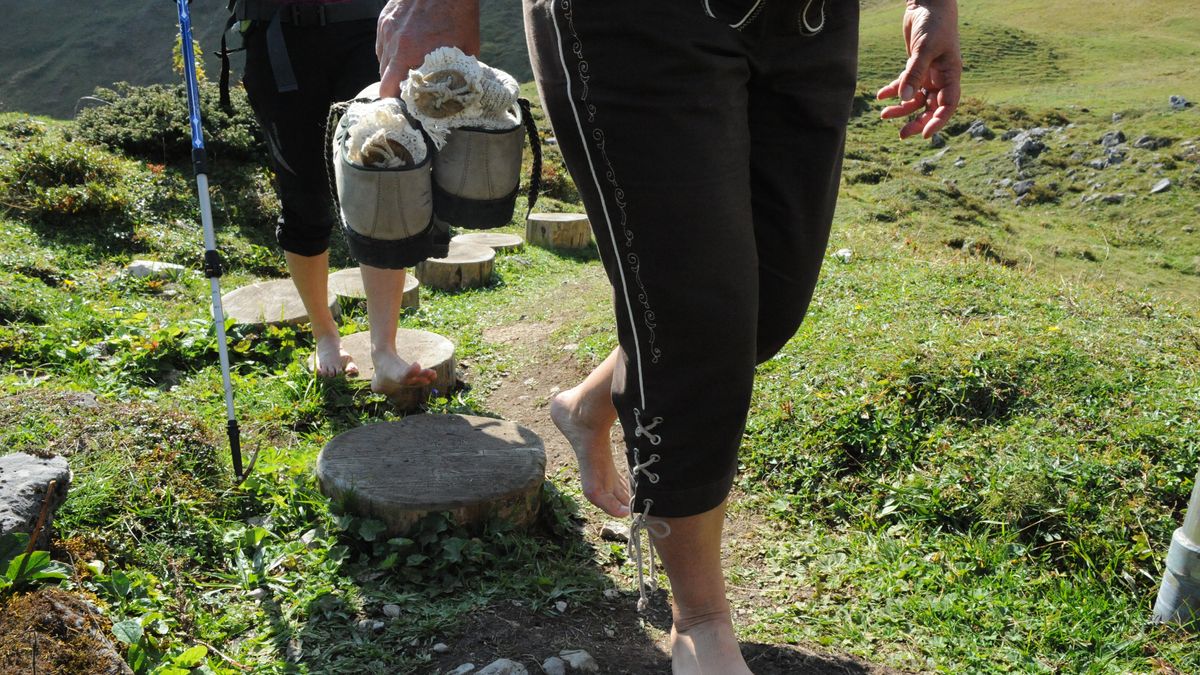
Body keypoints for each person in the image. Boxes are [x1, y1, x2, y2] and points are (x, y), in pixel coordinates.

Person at [377, 1, 962, 673]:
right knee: (694, 315)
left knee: (766, 307)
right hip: (639, 19)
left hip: (809, 17)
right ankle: (701, 621)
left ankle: (588, 404)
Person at [237, 0, 438, 392]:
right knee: (304, 199)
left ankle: (384, 351)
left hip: (365, 29)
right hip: (279, 33)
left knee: (384, 184)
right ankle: (325, 336)